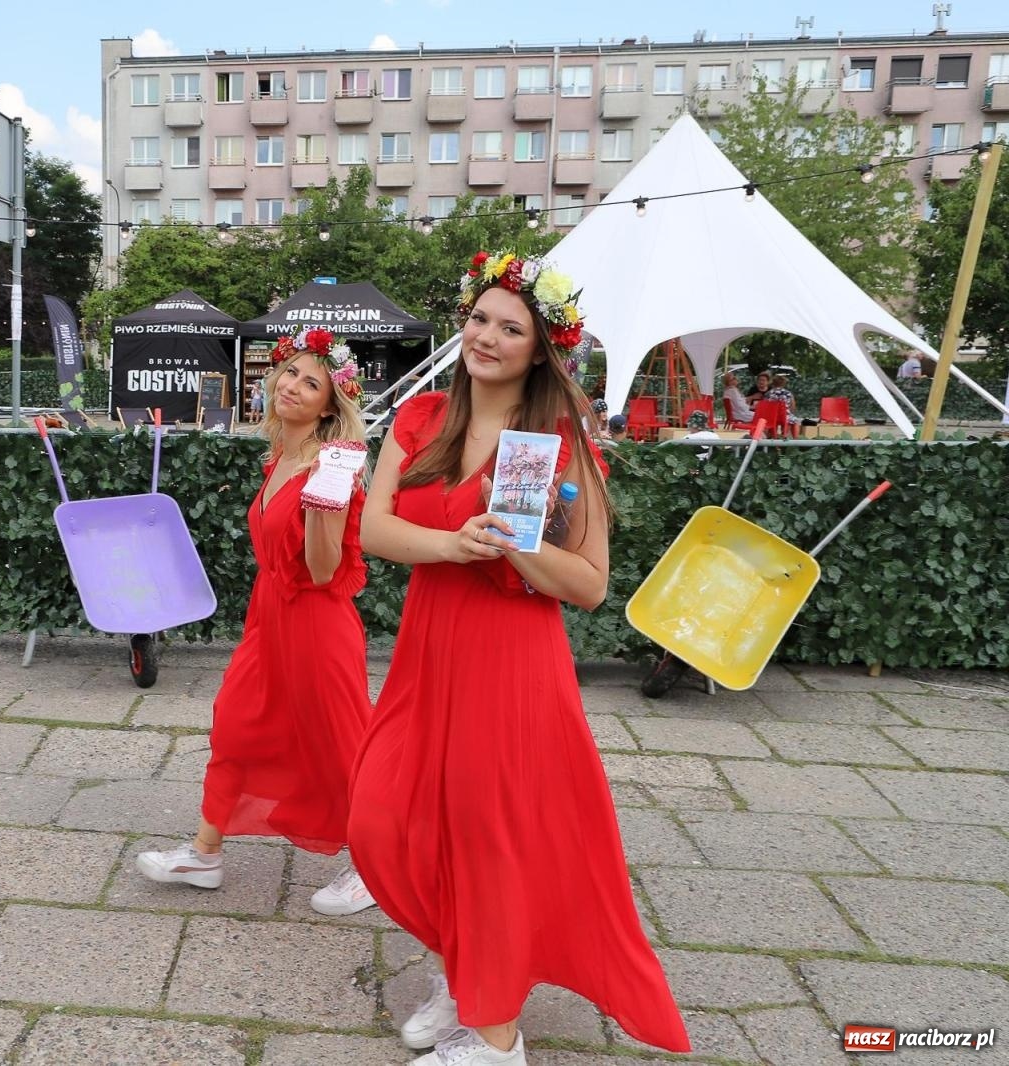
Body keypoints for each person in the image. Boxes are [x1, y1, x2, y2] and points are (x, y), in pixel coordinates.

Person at [350, 251, 690, 1065]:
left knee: (486, 837)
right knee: (382, 816)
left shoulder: (556, 443)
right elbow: (374, 529)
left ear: (541, 350)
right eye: (480, 320)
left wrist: (516, 544)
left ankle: (497, 1035)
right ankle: (468, 971)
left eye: (511, 329)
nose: (487, 337)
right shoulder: (423, 417)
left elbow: (591, 584)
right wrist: (453, 542)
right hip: (428, 648)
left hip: (510, 657)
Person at [136, 326, 378, 918]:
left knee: (342, 745)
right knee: (236, 724)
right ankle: (204, 853)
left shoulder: (330, 466)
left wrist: (324, 506)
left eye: (312, 383)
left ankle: (378, 866)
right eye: (291, 372)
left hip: (317, 626)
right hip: (269, 618)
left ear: (330, 406)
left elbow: (323, 571)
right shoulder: (281, 458)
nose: (293, 385)